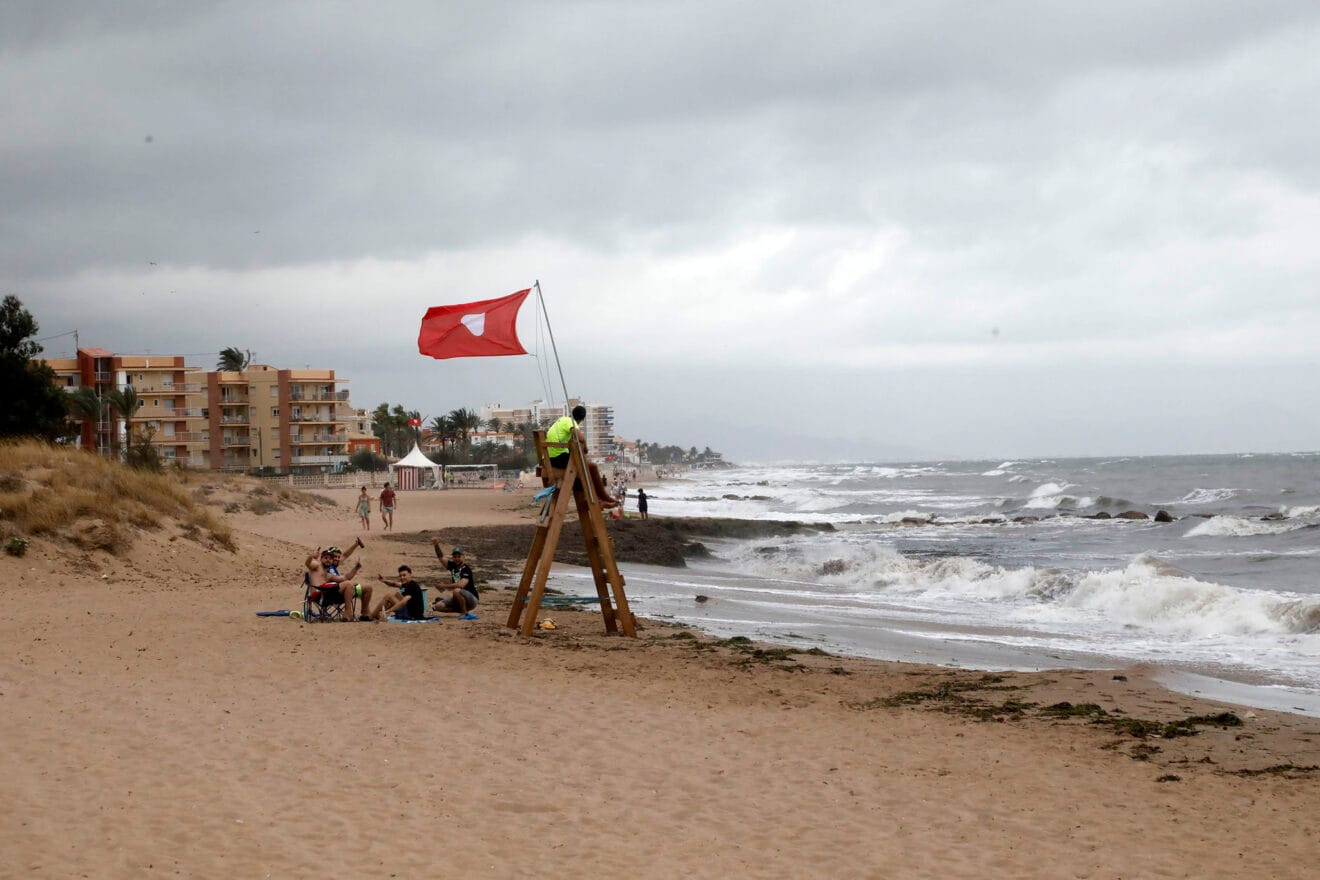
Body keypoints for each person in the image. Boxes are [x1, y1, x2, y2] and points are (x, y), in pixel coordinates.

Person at [544, 405, 618, 507]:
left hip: (549, 458)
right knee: (592, 467)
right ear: (583, 418)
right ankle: (603, 497)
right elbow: (581, 439)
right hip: (556, 457)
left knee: (579, 472)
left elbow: (568, 439)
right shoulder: (572, 423)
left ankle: (584, 501)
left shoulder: (562, 420)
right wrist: (586, 448)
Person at [305, 546, 375, 620]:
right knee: (348, 584)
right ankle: (348, 614)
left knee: (368, 587)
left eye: (330, 559)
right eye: (326, 558)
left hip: (328, 595)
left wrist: (356, 568)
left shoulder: (329, 575)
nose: (328, 560)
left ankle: (365, 614)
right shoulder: (316, 566)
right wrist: (311, 556)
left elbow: (345, 578)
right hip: (319, 596)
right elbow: (307, 564)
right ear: (321, 559)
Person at [431, 538, 478, 617]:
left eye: (459, 556)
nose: (457, 558)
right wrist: (436, 545)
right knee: (438, 606)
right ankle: (461, 609)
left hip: (472, 599)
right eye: (455, 556)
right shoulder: (452, 566)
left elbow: (461, 585)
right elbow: (441, 558)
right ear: (452, 557)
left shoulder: (466, 569)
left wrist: (444, 586)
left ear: (463, 557)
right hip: (459, 598)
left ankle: (464, 613)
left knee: (456, 591)